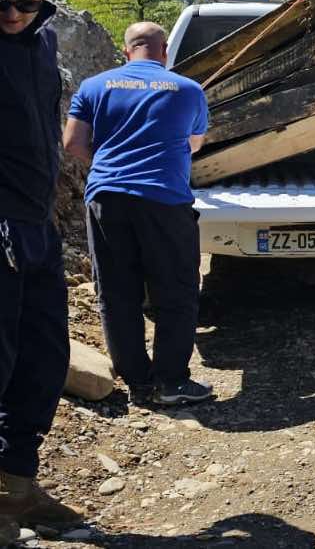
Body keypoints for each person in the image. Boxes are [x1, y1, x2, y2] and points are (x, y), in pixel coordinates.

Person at [62, 22, 212, 406]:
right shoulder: (188, 89)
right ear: (164, 52)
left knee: (116, 293)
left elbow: (73, 142)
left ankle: (138, 384)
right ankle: (171, 383)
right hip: (164, 200)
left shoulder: (94, 87)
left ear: (126, 52)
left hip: (107, 198)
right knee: (175, 291)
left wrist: (112, 167)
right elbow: (194, 144)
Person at [0, 0, 84, 539]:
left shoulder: (45, 41)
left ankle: (16, 487)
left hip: (36, 223)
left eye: (26, 3)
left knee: (44, 357)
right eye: (0, 3)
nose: (12, 14)